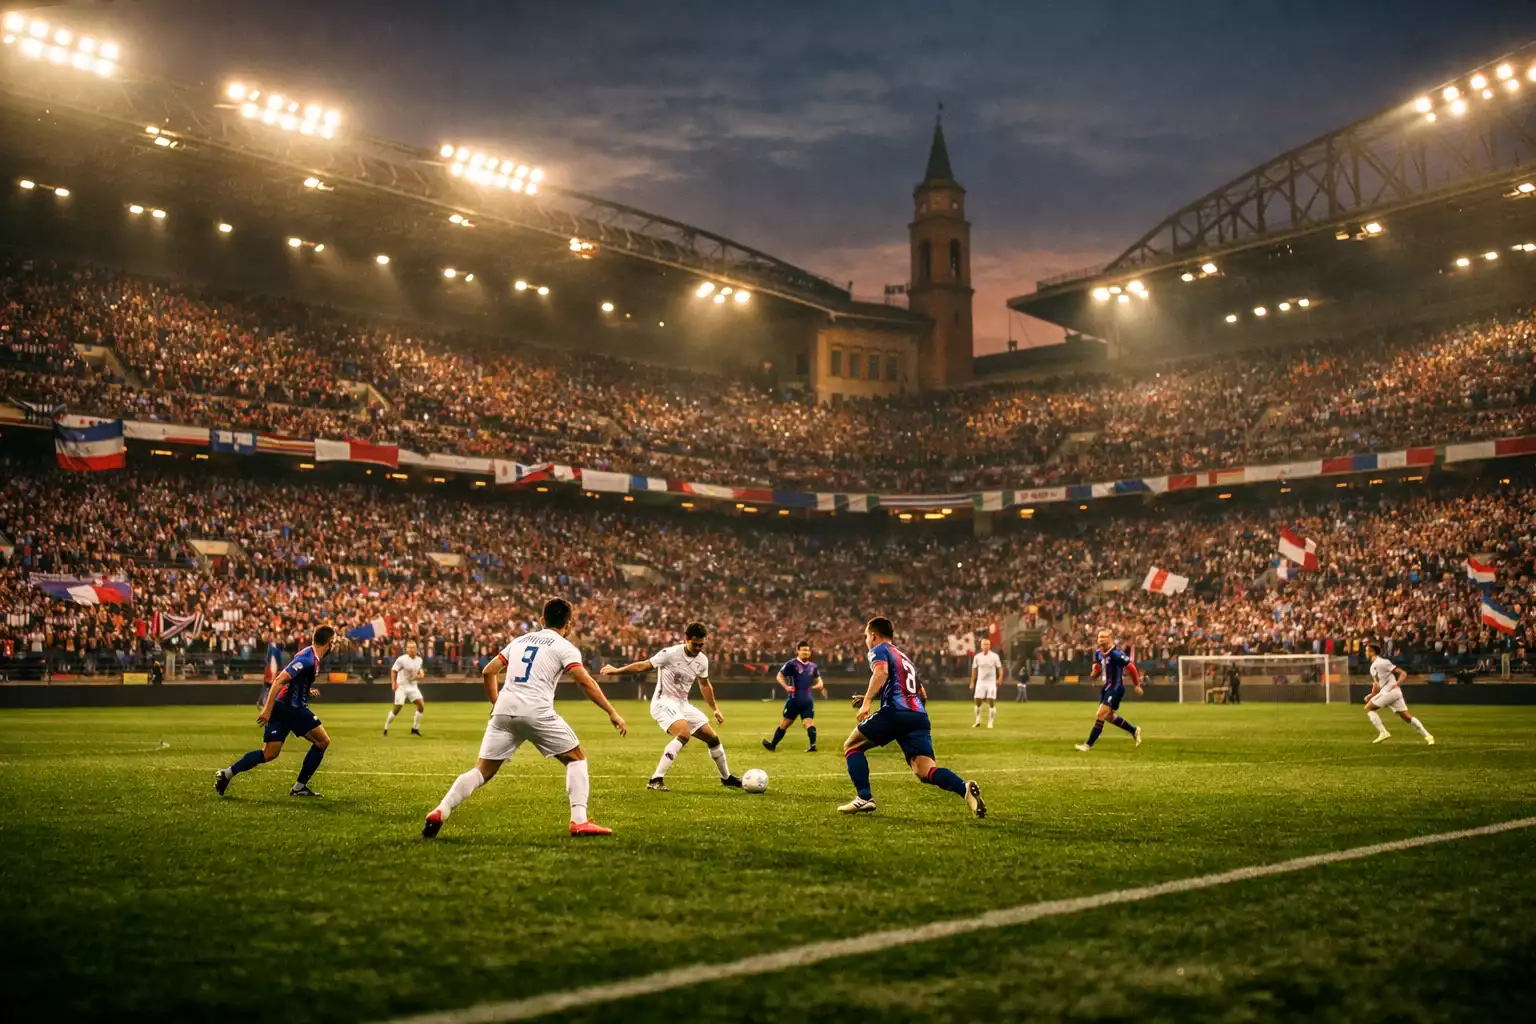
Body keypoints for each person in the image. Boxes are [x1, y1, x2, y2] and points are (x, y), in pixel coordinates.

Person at [423, 598, 626, 839]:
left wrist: (496, 703)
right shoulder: (565, 646)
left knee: (482, 771)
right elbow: (584, 680)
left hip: (504, 711)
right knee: (576, 758)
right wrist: (611, 711)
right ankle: (579, 821)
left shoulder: (519, 641)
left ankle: (441, 810)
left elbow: (488, 671)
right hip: (536, 711)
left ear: (542, 620)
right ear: (568, 624)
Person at [839, 616, 985, 818]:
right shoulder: (905, 658)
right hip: (918, 715)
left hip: (895, 713)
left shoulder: (879, 649)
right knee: (925, 771)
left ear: (873, 636)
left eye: (866, 636)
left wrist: (867, 703)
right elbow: (921, 694)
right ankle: (964, 788)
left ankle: (864, 797)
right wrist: (907, 715)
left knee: (852, 746)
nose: (866, 640)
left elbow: (880, 672)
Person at [600, 622, 742, 792]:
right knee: (684, 733)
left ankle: (726, 778)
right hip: (663, 702)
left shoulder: (702, 660)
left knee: (713, 738)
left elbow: (705, 685)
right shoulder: (670, 653)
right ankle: (655, 779)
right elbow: (644, 665)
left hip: (682, 705)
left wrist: (715, 709)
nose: (698, 648)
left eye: (701, 645)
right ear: (686, 639)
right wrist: (617, 671)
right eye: (694, 644)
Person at [215, 626, 334, 798]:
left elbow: (294, 680)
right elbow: (279, 680)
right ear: (330, 642)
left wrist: (306, 690)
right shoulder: (308, 658)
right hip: (293, 709)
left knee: (269, 753)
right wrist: (267, 710)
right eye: (334, 641)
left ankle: (226, 774)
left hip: (284, 708)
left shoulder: (307, 654)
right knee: (323, 742)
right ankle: (299, 787)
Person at [1075, 628, 1144, 752]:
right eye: (1099, 637)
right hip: (1106, 687)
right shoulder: (1098, 653)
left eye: (1104, 637)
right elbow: (1098, 666)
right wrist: (1094, 673)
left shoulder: (1116, 654)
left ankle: (1088, 745)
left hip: (1116, 688)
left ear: (1110, 638)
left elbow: (1131, 667)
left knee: (1100, 714)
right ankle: (1134, 730)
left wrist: (1137, 685)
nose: (1101, 639)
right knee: (1109, 717)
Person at [1364, 642, 1434, 745]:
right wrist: (1371, 694)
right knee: (1406, 716)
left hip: (1390, 692)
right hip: (1393, 692)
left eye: (1366, 650)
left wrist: (1397, 683)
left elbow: (1402, 673)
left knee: (1369, 708)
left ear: (1372, 652)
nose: (1365, 652)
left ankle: (1383, 733)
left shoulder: (1382, 662)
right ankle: (1428, 736)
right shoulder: (1373, 666)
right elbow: (1377, 684)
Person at [763, 641, 827, 753]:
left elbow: (820, 682)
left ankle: (812, 745)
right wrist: (786, 687)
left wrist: (818, 686)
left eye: (807, 650)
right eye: (803, 650)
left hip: (805, 700)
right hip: (795, 699)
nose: (806, 652)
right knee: (789, 723)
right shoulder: (791, 664)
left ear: (810, 652)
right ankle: (774, 745)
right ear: (798, 651)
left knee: (806, 723)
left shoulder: (813, 666)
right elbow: (779, 676)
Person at [384, 639, 426, 736]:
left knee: (421, 706)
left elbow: (419, 669)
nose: (412, 650)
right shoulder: (401, 659)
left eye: (414, 648)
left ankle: (415, 728)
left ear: (416, 649)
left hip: (413, 686)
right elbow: (394, 670)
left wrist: (421, 673)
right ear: (406, 649)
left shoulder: (419, 659)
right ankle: (386, 727)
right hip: (402, 687)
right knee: (397, 709)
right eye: (410, 648)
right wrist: (393, 683)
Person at [970, 637, 1003, 728]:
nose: (986, 646)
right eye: (984, 644)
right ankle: (977, 720)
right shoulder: (977, 657)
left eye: (988, 644)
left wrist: (1000, 678)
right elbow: (974, 669)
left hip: (991, 682)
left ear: (990, 646)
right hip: (981, 682)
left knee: (991, 700)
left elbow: (1000, 668)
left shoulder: (995, 656)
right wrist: (972, 681)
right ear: (981, 646)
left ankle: (990, 722)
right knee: (977, 701)